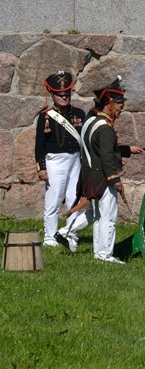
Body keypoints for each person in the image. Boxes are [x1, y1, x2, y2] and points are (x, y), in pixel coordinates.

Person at [57, 76, 143, 263]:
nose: (122, 108)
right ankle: (105, 254)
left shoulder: (90, 122)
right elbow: (106, 156)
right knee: (108, 218)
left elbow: (99, 149)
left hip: (91, 175)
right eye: (119, 103)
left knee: (97, 216)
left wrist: (127, 150)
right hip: (103, 177)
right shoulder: (105, 129)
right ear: (109, 104)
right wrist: (115, 180)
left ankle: (99, 253)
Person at [35, 71, 86, 247]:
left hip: (75, 160)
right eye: (61, 95)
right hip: (55, 161)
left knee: (74, 198)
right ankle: (50, 237)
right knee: (54, 198)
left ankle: (70, 234)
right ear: (53, 95)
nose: (65, 97)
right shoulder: (46, 116)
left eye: (67, 94)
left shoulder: (79, 113)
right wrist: (41, 167)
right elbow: (39, 144)